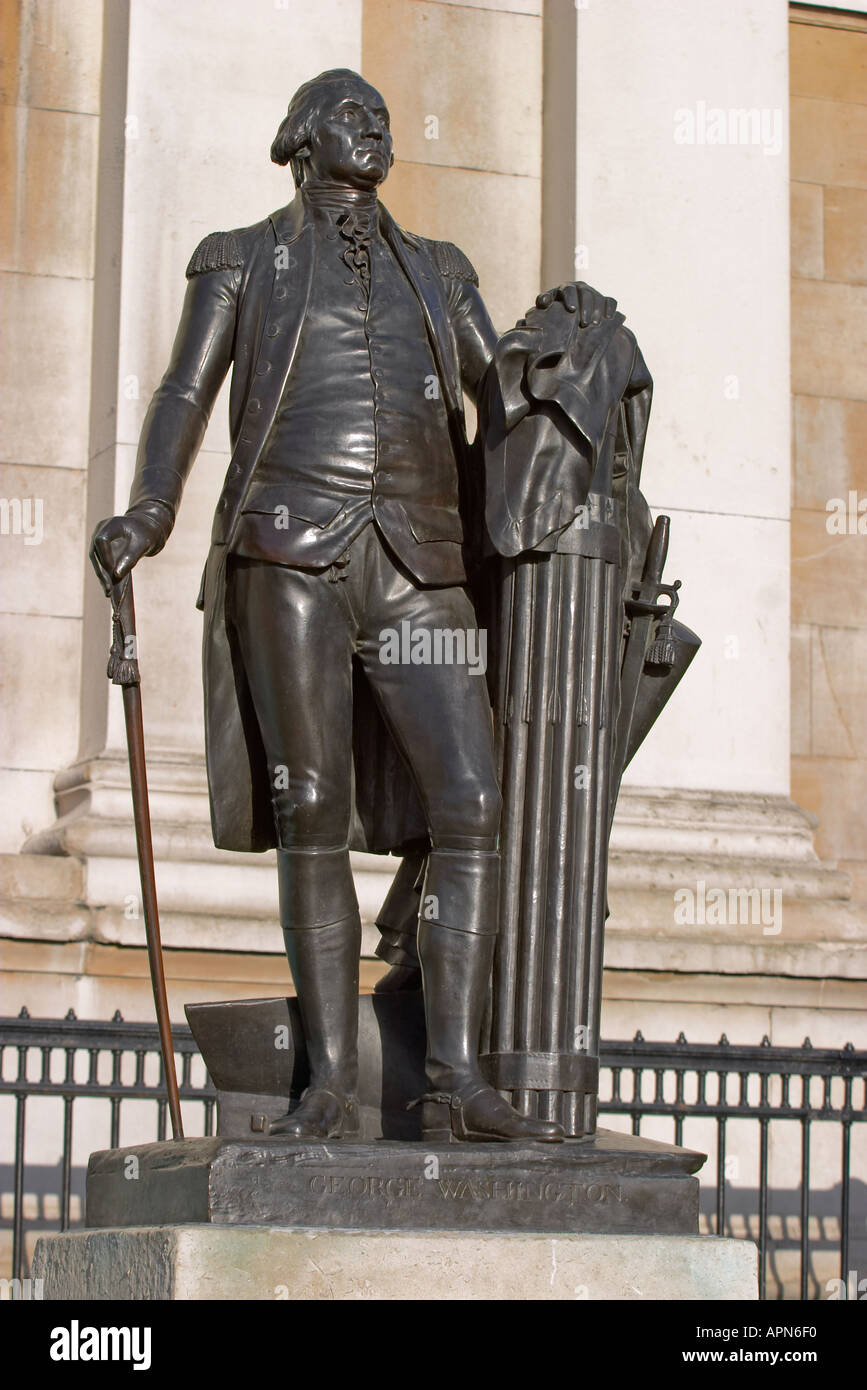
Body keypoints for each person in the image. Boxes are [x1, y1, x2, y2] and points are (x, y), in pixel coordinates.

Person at [92, 68, 615, 1143]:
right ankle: (330, 1079)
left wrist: (577, 355)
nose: (371, 125)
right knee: (312, 809)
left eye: (380, 115)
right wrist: (149, 510)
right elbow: (186, 391)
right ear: (298, 138)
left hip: (420, 560)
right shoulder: (239, 256)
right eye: (347, 112)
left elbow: (499, 387)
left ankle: (458, 1077)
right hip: (289, 546)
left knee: (474, 801)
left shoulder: (439, 267)